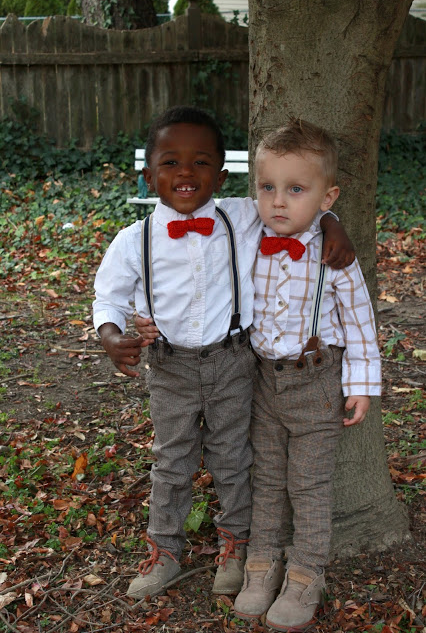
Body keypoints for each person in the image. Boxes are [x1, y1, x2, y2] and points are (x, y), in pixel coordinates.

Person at [93, 106, 354, 601]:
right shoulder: (134, 240)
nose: (186, 173)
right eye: (170, 162)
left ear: (223, 172)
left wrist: (332, 222)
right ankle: (165, 551)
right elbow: (108, 296)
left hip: (234, 362)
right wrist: (109, 334)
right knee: (171, 460)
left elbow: (297, 203)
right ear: (149, 174)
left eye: (201, 162)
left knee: (233, 457)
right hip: (169, 366)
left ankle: (235, 546)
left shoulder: (242, 215)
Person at [231, 118, 381, 631]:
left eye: (296, 190)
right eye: (267, 188)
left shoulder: (335, 254)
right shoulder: (251, 236)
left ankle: (306, 573)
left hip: (317, 383)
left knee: (309, 486)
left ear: (326, 195)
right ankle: (261, 565)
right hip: (262, 382)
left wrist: (362, 384)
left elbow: (360, 319)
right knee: (266, 478)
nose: (278, 202)